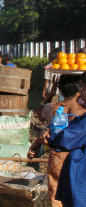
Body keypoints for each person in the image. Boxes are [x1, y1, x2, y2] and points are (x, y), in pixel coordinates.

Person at [28, 75, 86, 207]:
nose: (81, 92)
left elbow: (41, 117)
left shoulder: (54, 107)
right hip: (71, 161)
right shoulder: (81, 111)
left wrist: (43, 139)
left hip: (60, 158)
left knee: (59, 197)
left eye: (83, 87)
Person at [45, 72, 86, 207]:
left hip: (79, 176)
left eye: (83, 87)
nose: (81, 91)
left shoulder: (57, 106)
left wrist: (51, 136)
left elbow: (65, 139)